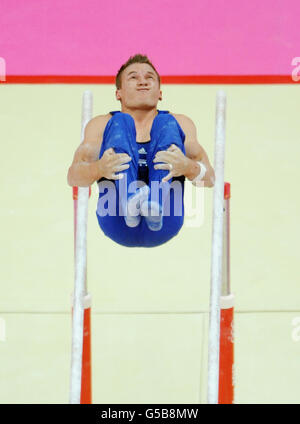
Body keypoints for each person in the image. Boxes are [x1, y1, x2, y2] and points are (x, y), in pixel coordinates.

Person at [67, 54, 215, 248]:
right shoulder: (101, 125)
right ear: (118, 93)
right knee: (120, 121)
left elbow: (210, 179)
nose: (143, 82)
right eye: (133, 77)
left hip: (165, 220)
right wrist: (99, 169)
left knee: (167, 122)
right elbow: (73, 177)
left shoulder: (180, 124)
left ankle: (155, 201)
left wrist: (187, 166)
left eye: (149, 78)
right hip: (116, 218)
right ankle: (130, 201)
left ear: (160, 93)